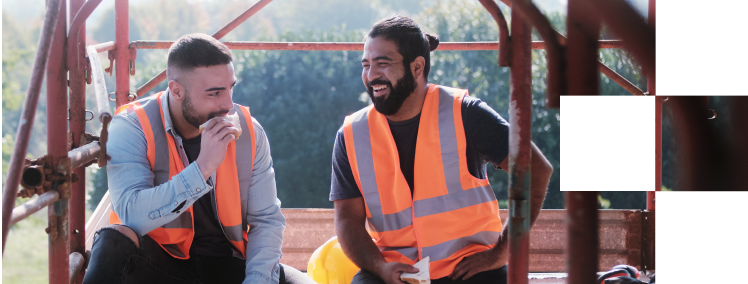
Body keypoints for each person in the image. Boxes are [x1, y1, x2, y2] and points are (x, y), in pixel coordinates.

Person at [330, 16, 554, 284]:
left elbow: (536, 170)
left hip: (471, 268)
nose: (371, 75)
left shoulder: (466, 113)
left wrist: (501, 252)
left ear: (417, 67)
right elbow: (347, 220)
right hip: (394, 270)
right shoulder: (351, 134)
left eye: (383, 63)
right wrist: (380, 268)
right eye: (366, 65)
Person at [83, 33, 314, 284]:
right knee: (112, 240)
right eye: (214, 93)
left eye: (230, 88)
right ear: (177, 90)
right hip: (162, 266)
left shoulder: (250, 131)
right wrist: (203, 168)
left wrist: (257, 280)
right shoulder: (132, 126)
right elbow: (131, 216)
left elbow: (266, 221)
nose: (228, 104)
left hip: (230, 263)